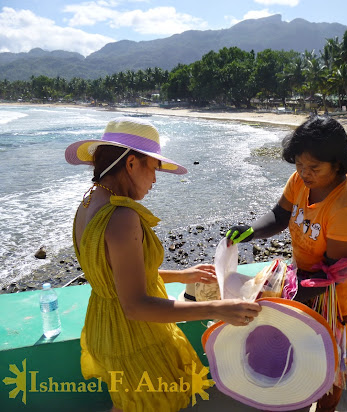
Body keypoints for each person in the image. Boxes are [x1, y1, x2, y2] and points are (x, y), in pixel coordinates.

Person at [65, 117, 261, 412]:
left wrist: (182, 275)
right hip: (134, 335)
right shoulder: (123, 216)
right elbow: (135, 306)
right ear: (131, 164)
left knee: (131, 404)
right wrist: (218, 309)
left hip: (104, 325)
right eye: (153, 169)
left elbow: (115, 274)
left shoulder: (89, 200)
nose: (155, 180)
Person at [225, 115, 347, 412]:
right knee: (299, 359)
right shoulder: (300, 182)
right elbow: (279, 216)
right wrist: (250, 232)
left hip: (334, 297)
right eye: (299, 165)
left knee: (328, 362)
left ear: (337, 164)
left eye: (314, 168)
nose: (304, 173)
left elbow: (328, 275)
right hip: (301, 282)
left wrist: (276, 299)